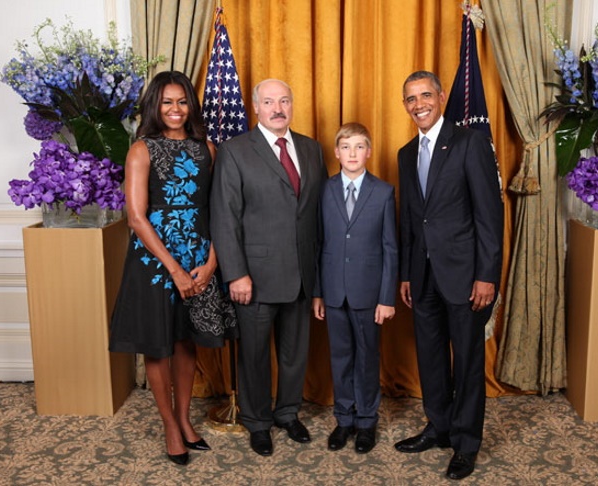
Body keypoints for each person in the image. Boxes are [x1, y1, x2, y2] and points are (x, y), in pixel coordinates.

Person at [109, 71, 233, 465]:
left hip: (198, 257)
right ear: (155, 106)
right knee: (158, 344)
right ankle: (168, 424)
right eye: (167, 102)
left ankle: (183, 418)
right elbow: (136, 217)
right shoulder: (141, 149)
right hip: (155, 261)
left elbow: (219, 210)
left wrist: (211, 263)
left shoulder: (207, 149)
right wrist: (175, 270)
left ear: (191, 106)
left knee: (186, 340)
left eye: (181, 101)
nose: (175, 109)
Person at [210, 78, 328, 457]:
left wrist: (321, 279)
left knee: (295, 354)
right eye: (269, 102)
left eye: (284, 101)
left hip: (303, 275)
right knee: (255, 355)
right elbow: (224, 217)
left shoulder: (311, 149)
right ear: (256, 108)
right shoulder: (235, 151)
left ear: (292, 105)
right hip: (255, 277)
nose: (278, 109)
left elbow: (319, 215)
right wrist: (235, 273)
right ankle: (257, 421)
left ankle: (288, 412)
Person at [394, 71, 503, 481]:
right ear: (405, 105)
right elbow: (411, 219)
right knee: (431, 357)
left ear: (441, 97)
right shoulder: (406, 153)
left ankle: (466, 443)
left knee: (469, 362)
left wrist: (486, 275)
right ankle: (438, 427)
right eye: (411, 98)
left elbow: (489, 214)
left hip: (466, 275)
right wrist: (406, 273)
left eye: (425, 95)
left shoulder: (470, 142)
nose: (418, 104)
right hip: (422, 275)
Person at [312, 122, 397, 454]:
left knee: (366, 358)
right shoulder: (324, 190)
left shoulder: (383, 192)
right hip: (334, 291)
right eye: (346, 147)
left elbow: (390, 248)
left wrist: (386, 298)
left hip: (369, 293)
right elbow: (319, 243)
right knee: (340, 357)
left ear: (369, 152)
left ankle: (366, 421)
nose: (352, 153)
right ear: (336, 152)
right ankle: (344, 419)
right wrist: (318, 292)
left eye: (359, 147)